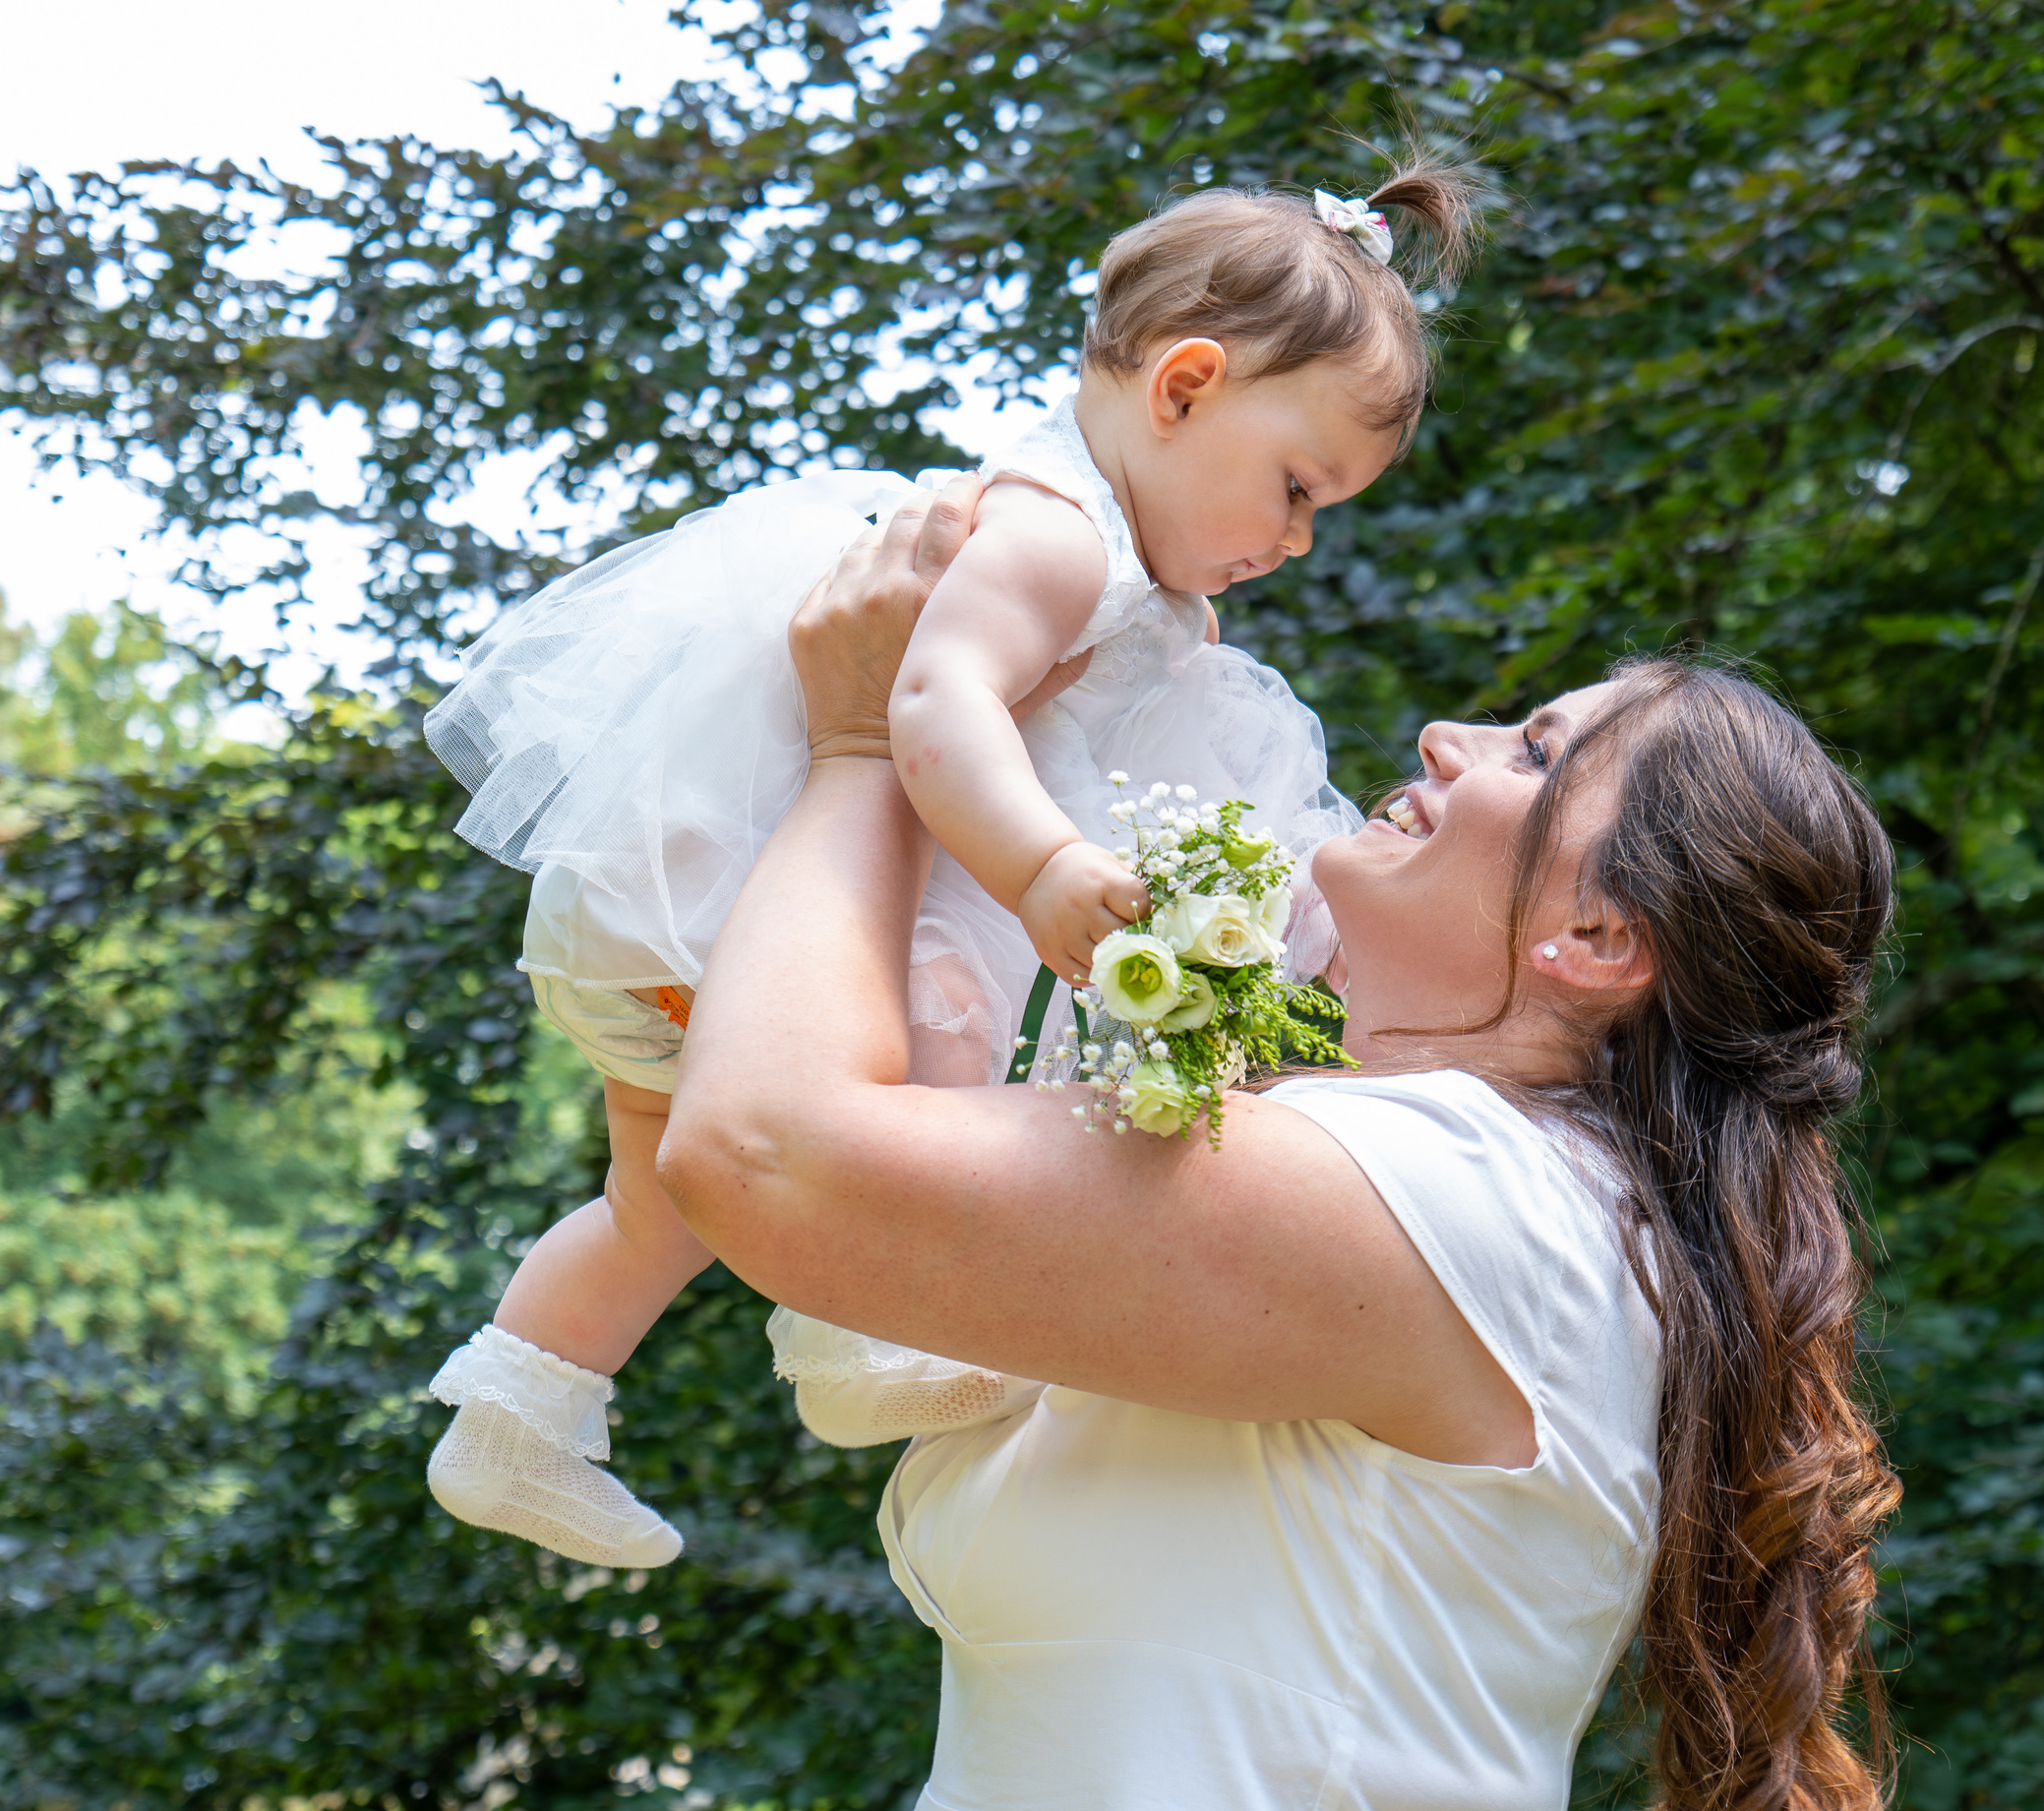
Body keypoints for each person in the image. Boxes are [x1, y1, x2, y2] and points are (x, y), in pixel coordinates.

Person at [652, 484, 1905, 1811]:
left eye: (1536, 751)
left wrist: (867, 743)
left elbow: (764, 1154)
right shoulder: (1492, 1204)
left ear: (1601, 932)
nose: (1449, 735)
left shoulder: (1478, 1204)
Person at [417, 157, 1487, 1566]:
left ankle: (514, 1416)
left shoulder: (1109, 560)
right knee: (940, 1043)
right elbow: (931, 708)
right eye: (1296, 487)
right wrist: (1044, 869)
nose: (1293, 539)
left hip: (687, 924)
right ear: (1183, 388)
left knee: (656, 1195)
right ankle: (868, 1335)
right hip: (766, 912)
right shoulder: (1057, 540)